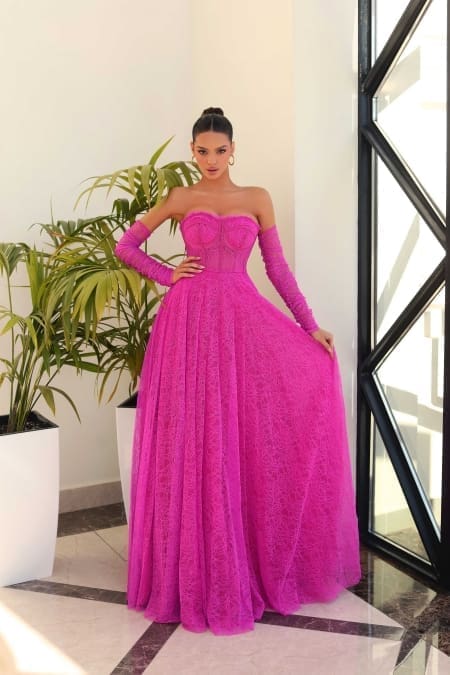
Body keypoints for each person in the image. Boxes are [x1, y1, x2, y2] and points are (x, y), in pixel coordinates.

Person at [114, 107, 362, 636]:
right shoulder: (180, 199)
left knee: (239, 436)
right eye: (201, 151)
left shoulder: (257, 198)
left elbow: (275, 268)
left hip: (241, 321)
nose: (209, 160)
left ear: (233, 150)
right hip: (186, 325)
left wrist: (310, 325)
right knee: (190, 439)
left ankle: (241, 559)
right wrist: (166, 274)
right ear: (192, 152)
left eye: (218, 151)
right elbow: (125, 245)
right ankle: (188, 574)